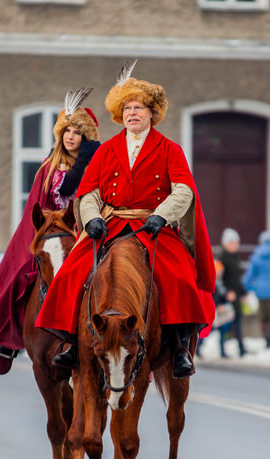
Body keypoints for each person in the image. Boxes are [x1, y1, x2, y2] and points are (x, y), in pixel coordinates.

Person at [36, 63, 216, 378]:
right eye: (128, 108)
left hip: (152, 228)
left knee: (179, 276)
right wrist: (91, 219)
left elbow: (184, 190)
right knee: (71, 272)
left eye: (139, 108)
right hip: (112, 227)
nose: (132, 113)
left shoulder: (169, 149)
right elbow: (88, 193)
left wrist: (162, 215)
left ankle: (180, 349)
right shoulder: (106, 151)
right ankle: (70, 341)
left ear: (152, 114)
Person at [0, 88, 100, 374]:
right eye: (66, 130)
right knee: (20, 274)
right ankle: (10, 338)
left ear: (87, 137)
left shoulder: (97, 165)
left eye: (77, 132)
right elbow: (54, 196)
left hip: (85, 232)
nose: (70, 136)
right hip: (51, 230)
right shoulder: (50, 166)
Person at [217, 227, 247, 357]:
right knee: (224, 325)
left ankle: (241, 348)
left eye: (236, 243)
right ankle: (222, 349)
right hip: (225, 298)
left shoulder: (235, 258)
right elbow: (217, 279)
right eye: (232, 243)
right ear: (226, 243)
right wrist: (225, 294)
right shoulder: (221, 257)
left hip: (236, 296)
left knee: (238, 323)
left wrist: (243, 292)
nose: (235, 245)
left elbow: (237, 278)